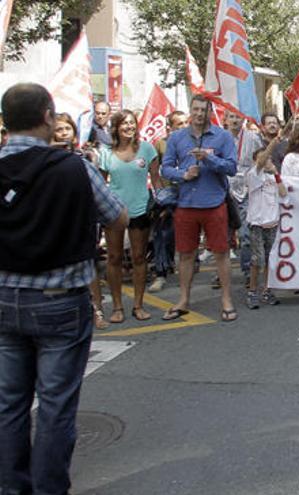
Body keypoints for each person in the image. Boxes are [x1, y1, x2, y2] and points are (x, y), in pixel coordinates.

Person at [0, 82, 128, 495]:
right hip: (60, 301)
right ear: (46, 117)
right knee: (55, 407)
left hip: (3, 298)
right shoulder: (73, 167)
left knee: (8, 404)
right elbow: (117, 216)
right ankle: (49, 488)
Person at [161, 94, 238, 322]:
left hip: (214, 202)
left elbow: (232, 167)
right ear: (190, 110)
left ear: (209, 112)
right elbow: (165, 168)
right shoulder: (176, 138)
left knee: (221, 254)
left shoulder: (222, 137)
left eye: (202, 110)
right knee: (185, 254)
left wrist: (208, 159)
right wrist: (182, 175)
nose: (198, 114)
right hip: (186, 203)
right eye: (194, 109)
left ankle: (226, 299)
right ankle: (183, 299)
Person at [99, 110, 160, 323]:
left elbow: (157, 180)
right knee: (114, 257)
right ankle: (117, 307)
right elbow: (100, 184)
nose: (128, 127)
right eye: (124, 123)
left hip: (140, 209)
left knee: (139, 257)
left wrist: (162, 203)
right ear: (115, 127)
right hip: (114, 211)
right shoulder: (105, 152)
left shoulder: (147, 149)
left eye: (132, 123)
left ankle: (138, 305)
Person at [51, 113, 111, 330]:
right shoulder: (43, 160)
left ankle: (96, 309)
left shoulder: (84, 159)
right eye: (59, 129)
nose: (64, 133)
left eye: (67, 128)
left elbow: (107, 203)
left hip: (81, 222)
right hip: (56, 226)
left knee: (88, 264)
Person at [149, 110, 188, 293]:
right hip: (168, 195)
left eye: (185, 122)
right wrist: (160, 194)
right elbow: (155, 173)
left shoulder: (193, 142)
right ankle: (161, 272)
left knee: (184, 234)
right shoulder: (161, 144)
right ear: (170, 127)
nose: (183, 126)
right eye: (178, 123)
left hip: (188, 194)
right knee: (162, 233)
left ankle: (188, 268)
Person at [245, 142, 287, 309]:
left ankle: (266, 290)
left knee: (269, 258)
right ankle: (252, 291)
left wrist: (276, 174)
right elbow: (261, 162)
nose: (268, 160)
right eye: (264, 158)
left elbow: (283, 193)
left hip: (272, 224)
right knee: (258, 259)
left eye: (270, 158)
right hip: (257, 224)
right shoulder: (253, 175)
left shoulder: (272, 177)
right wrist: (273, 142)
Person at [224, 111, 262, 286]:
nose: (234, 120)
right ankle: (221, 273)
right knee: (223, 236)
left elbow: (258, 162)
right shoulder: (221, 138)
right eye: (231, 117)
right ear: (225, 119)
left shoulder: (252, 138)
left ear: (243, 119)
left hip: (246, 189)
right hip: (225, 190)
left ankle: (247, 270)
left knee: (246, 235)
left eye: (238, 117)